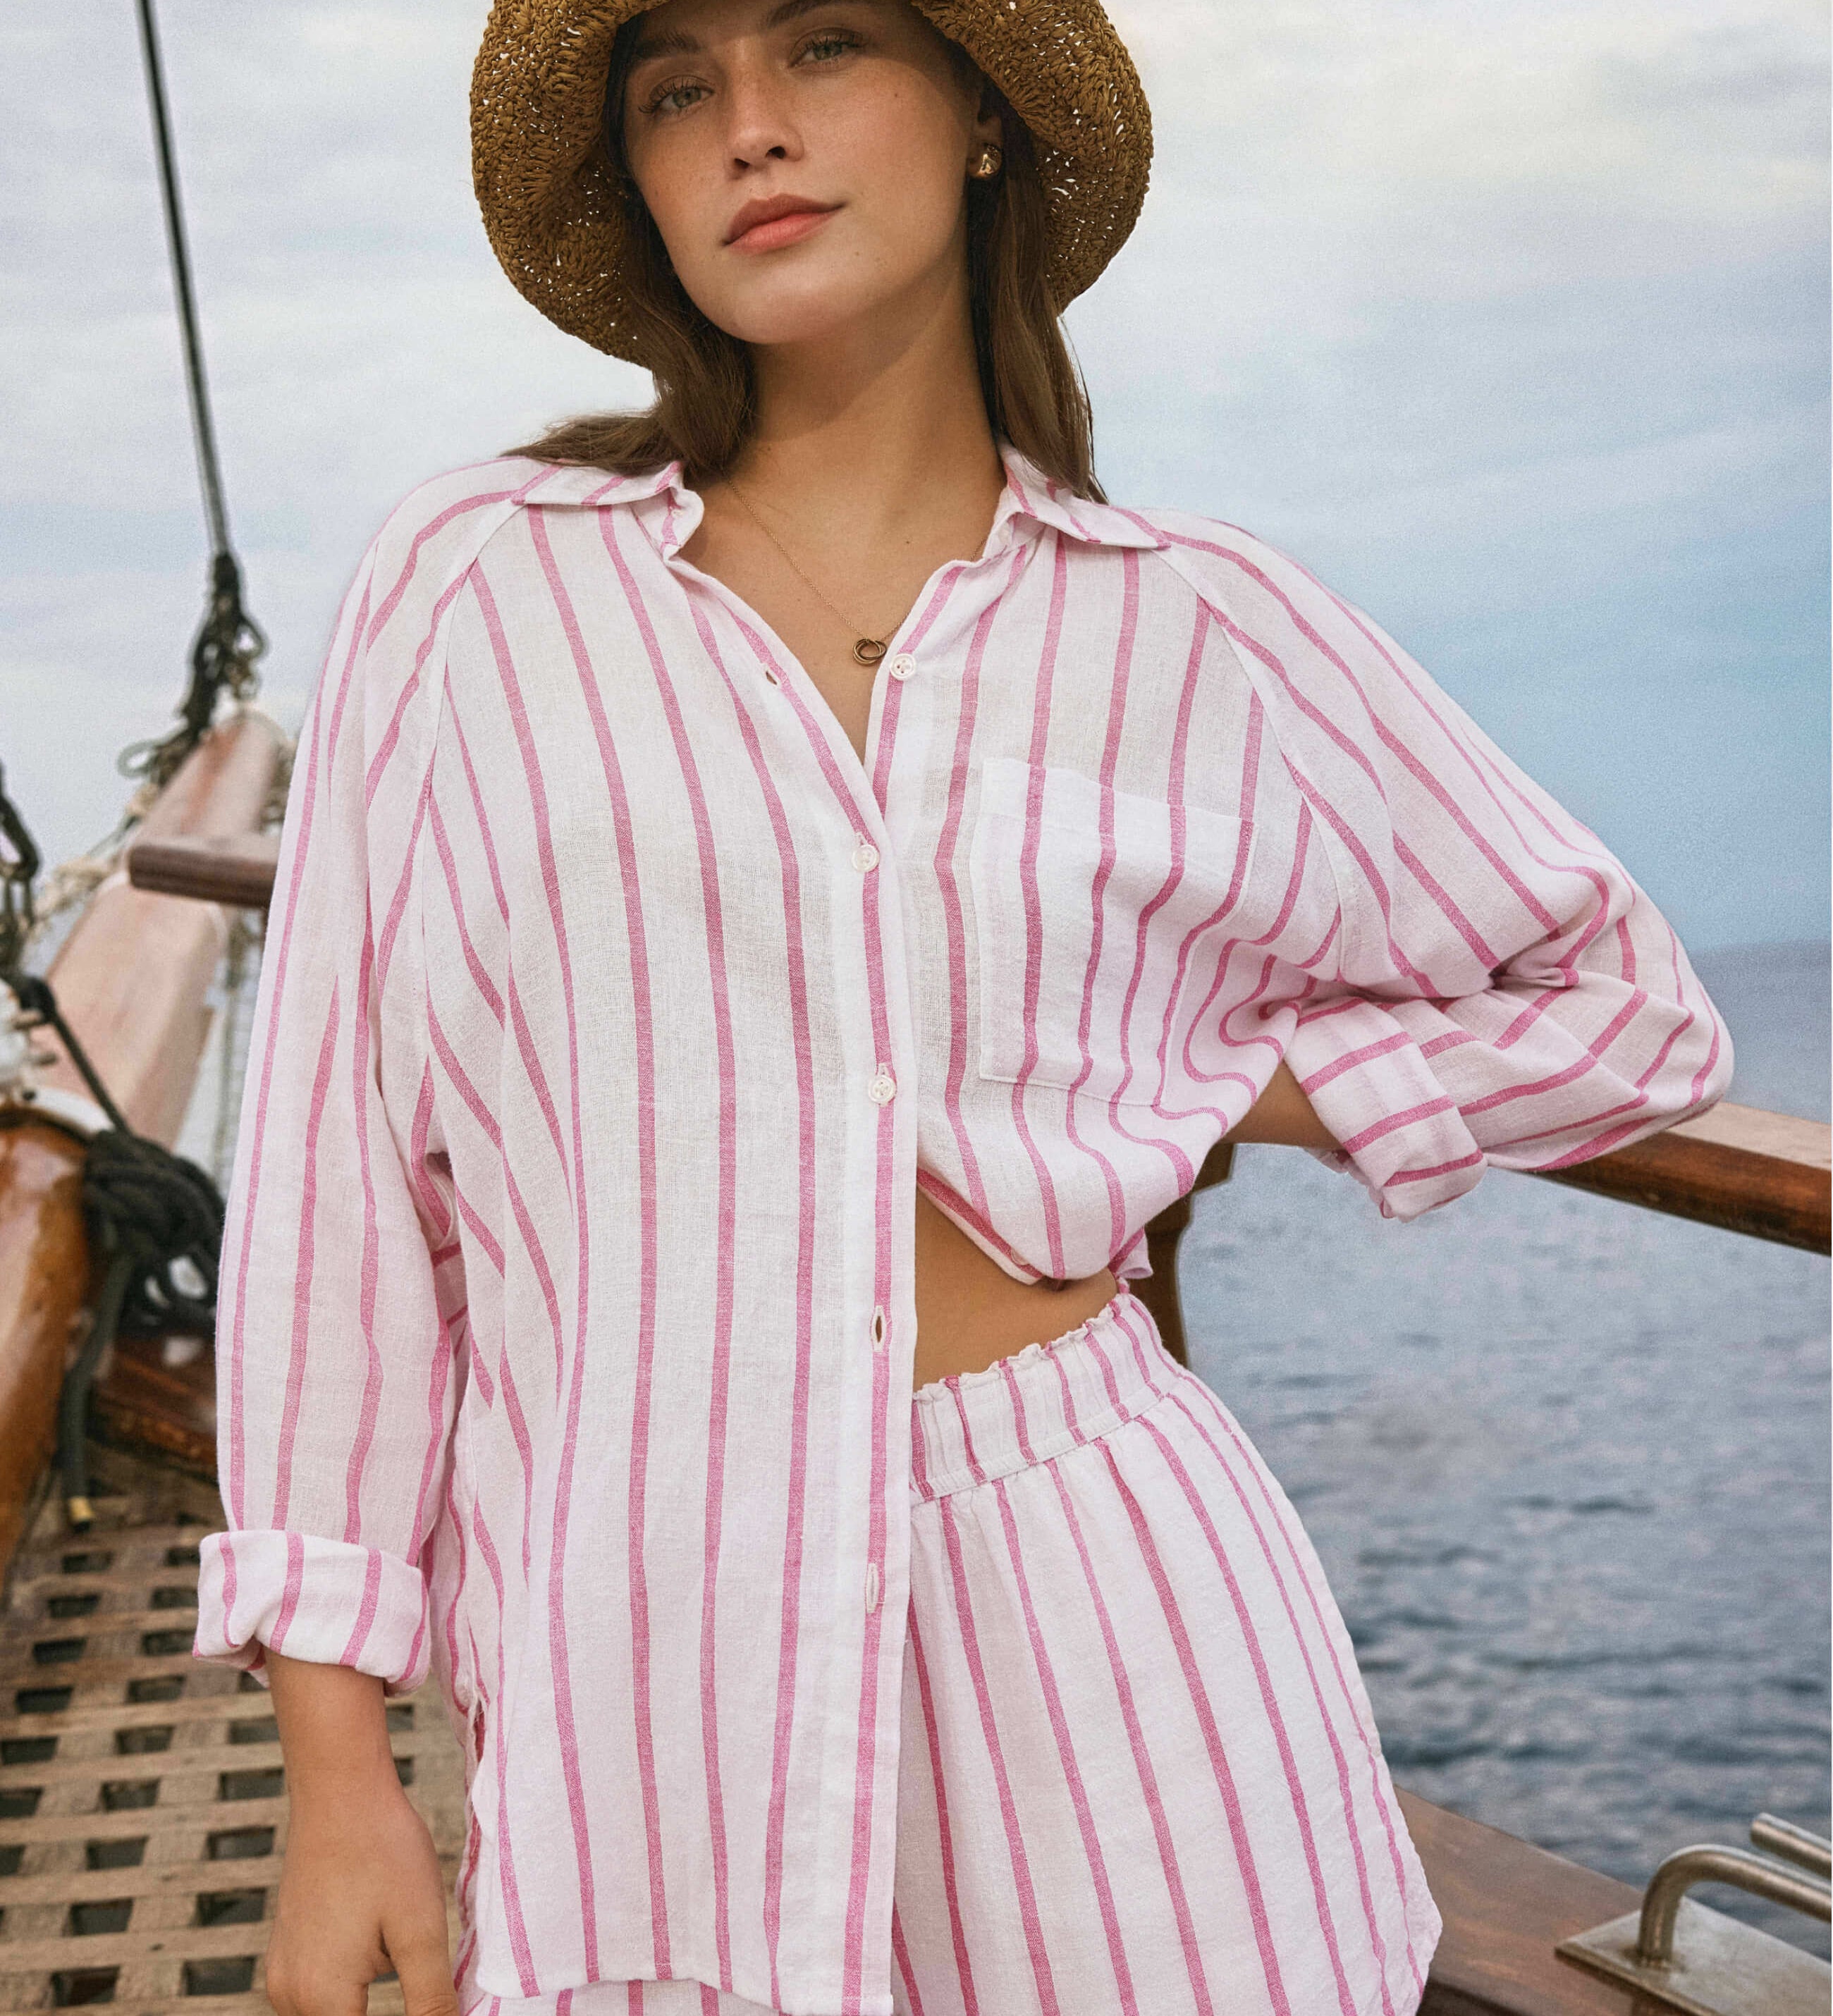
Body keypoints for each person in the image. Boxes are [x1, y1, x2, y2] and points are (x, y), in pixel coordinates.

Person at [190, 0, 1734, 2010]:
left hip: (1111, 1603)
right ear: (641, 181)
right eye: (678, 89)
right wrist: (338, 1772)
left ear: (982, 115)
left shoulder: (1194, 627)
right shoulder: (479, 589)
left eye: (825, 43)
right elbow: (335, 1189)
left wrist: (1234, 1081)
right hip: (651, 1620)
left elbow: (1625, 1001)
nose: (751, 126)